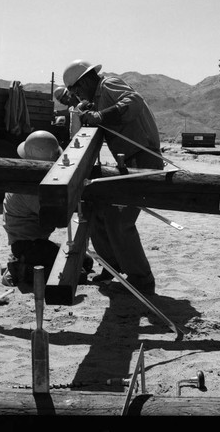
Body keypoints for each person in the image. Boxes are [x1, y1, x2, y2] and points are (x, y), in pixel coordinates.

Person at [63, 59, 163, 295]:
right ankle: (113, 266)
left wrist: (100, 116)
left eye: (77, 89)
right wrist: (88, 112)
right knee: (99, 213)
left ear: (87, 79)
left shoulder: (109, 84)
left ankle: (142, 280)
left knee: (120, 221)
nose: (77, 95)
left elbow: (134, 101)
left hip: (143, 160)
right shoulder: (97, 96)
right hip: (129, 161)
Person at [2, 130, 93, 286]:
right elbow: (54, 219)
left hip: (36, 242)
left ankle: (24, 263)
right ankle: (18, 269)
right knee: (78, 273)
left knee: (86, 261)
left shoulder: (31, 178)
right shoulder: (30, 188)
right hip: (27, 245)